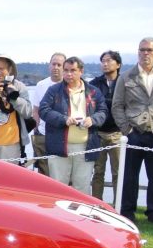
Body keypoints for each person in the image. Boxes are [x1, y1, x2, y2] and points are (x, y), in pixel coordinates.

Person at [112, 37, 153, 223]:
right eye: (142, 50)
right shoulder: (126, 76)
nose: (146, 53)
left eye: (150, 50)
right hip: (134, 133)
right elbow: (117, 106)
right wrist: (127, 130)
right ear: (138, 52)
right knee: (129, 177)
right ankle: (127, 212)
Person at [39, 57, 107, 195]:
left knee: (82, 188)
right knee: (58, 188)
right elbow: (43, 110)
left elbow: (103, 111)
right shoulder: (53, 90)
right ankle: (57, 215)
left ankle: (80, 216)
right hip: (59, 146)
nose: (69, 74)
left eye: (73, 70)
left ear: (81, 71)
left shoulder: (93, 92)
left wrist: (92, 120)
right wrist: (63, 119)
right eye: (66, 70)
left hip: (85, 147)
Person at [88, 50, 123, 203]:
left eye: (109, 60)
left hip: (118, 133)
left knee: (118, 172)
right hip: (98, 133)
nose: (105, 63)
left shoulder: (124, 82)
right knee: (98, 172)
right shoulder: (94, 84)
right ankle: (97, 204)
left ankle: (118, 204)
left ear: (118, 64)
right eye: (103, 61)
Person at [31, 53, 66, 176]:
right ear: (49, 66)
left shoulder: (68, 85)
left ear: (64, 67)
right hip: (43, 134)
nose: (56, 67)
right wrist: (36, 129)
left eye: (59, 65)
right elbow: (35, 109)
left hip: (63, 135)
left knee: (62, 172)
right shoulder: (41, 85)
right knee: (43, 171)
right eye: (53, 64)